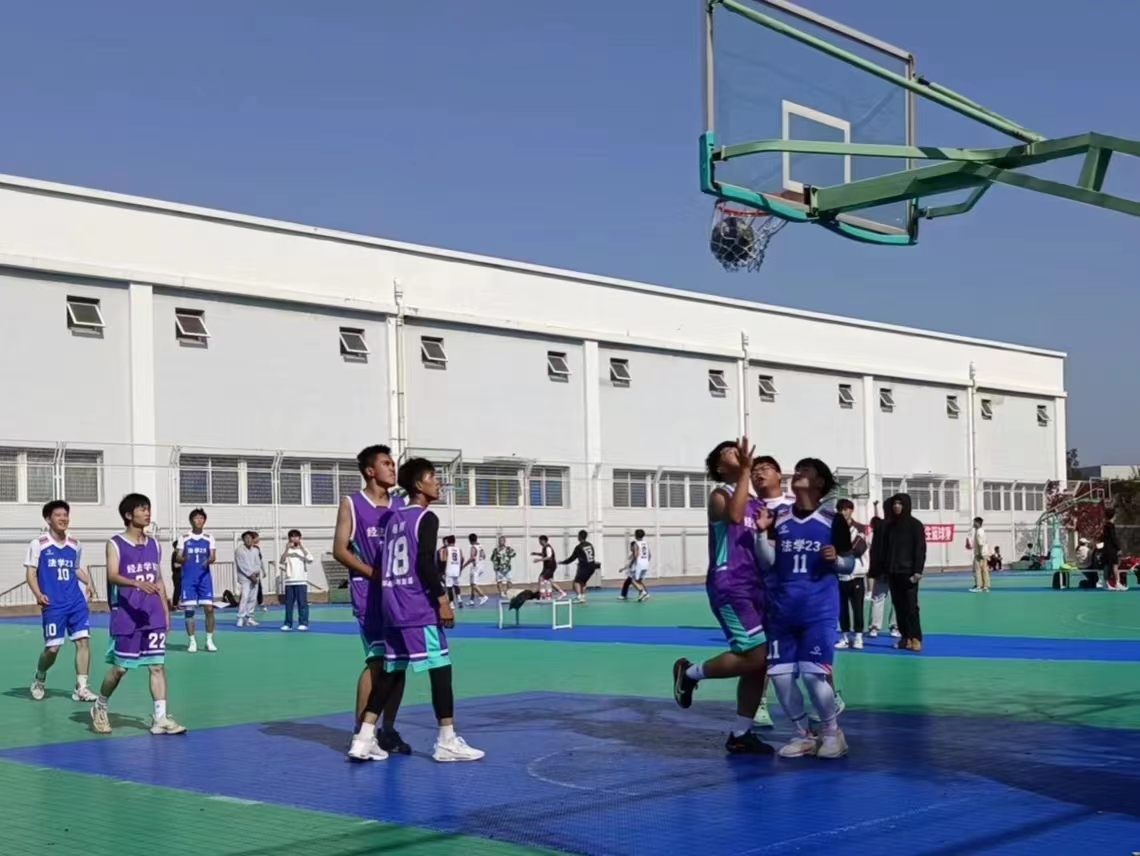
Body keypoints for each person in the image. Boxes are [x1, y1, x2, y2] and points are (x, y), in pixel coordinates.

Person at [348, 458, 484, 763]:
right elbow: (424, 563)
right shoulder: (426, 517)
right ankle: (447, 740)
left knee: (391, 672)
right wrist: (442, 600)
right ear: (419, 485)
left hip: (391, 606)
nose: (438, 483)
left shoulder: (393, 519)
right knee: (441, 668)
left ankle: (363, 738)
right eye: (433, 477)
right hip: (416, 607)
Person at [671, 438, 773, 756]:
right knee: (757, 655)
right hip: (730, 584)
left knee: (760, 665)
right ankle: (689, 673)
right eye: (730, 451)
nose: (738, 452)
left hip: (758, 586)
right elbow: (734, 516)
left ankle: (741, 734)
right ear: (719, 466)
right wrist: (744, 473)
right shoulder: (720, 495)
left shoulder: (758, 504)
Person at [754, 458, 853, 759]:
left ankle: (833, 733)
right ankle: (803, 735)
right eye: (797, 469)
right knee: (781, 677)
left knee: (813, 676)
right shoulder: (779, 517)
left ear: (820, 481)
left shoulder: (832, 519)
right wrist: (761, 533)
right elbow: (767, 562)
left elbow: (849, 564)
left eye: (805, 470)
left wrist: (837, 559)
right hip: (782, 610)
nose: (798, 472)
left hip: (818, 610)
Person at [332, 444, 409, 756]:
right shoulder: (351, 503)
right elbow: (340, 550)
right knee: (376, 661)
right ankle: (361, 732)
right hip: (369, 591)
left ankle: (388, 729)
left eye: (393, 463)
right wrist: (373, 573)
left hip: (399, 593)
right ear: (369, 470)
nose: (392, 468)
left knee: (399, 663)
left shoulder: (400, 504)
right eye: (386, 463)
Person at [91, 493, 185, 735]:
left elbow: (159, 580)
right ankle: (100, 705)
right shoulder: (115, 544)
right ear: (128, 515)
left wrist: (165, 612)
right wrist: (136, 583)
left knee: (157, 666)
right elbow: (112, 575)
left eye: (148, 508)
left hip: (152, 614)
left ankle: (160, 718)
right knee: (120, 669)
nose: (147, 513)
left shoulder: (154, 544)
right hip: (127, 614)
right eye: (142, 509)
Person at [26, 500, 98, 702]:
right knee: (53, 649)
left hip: (75, 601)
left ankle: (81, 687)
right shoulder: (39, 544)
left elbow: (75, 568)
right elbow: (30, 574)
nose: (63, 518)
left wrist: (89, 582)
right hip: (53, 604)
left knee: (83, 641)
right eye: (58, 515)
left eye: (65, 515)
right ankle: (40, 676)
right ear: (48, 519)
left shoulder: (75, 544)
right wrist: (38, 594)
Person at [749, 455, 796, 728]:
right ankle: (760, 703)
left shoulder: (794, 509)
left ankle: (827, 700)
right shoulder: (748, 508)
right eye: (754, 470)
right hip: (757, 590)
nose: (759, 473)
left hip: (792, 590)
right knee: (761, 650)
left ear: (780, 475)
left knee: (810, 647)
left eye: (766, 468)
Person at [885, 494, 926, 652]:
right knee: (898, 606)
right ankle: (905, 637)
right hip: (893, 572)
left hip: (908, 572)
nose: (896, 506)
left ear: (906, 505)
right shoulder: (890, 525)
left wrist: (917, 571)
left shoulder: (915, 525)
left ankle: (916, 638)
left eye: (900, 503)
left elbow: (920, 549)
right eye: (895, 503)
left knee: (911, 607)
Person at [176, 508, 217, 653]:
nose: (199, 521)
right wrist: (182, 558)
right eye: (196, 518)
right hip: (189, 579)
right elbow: (178, 556)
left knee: (209, 609)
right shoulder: (184, 538)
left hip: (204, 578)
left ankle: (209, 640)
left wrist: (209, 560)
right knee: (189, 611)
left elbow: (213, 556)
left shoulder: (209, 537)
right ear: (191, 520)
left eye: (201, 518)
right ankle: (192, 641)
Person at [835, 498, 868, 650]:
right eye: (841, 510)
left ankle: (859, 637)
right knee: (842, 608)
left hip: (856, 574)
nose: (843, 512)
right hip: (840, 575)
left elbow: (859, 549)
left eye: (846, 509)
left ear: (851, 510)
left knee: (857, 608)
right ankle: (845, 637)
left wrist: (839, 551)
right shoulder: (833, 527)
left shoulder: (860, 528)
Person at [867, 500, 900, 639]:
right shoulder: (895, 526)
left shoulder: (881, 525)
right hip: (893, 569)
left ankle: (875, 627)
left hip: (888, 569)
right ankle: (893, 627)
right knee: (895, 599)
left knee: (879, 599)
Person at [279, 529, 314, 631]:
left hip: (301, 580)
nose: (294, 538)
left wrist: (301, 547)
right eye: (292, 536)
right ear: (289, 538)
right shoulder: (288, 551)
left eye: (296, 536)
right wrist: (286, 549)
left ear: (299, 538)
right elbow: (281, 561)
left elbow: (310, 559)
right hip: (289, 581)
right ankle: (288, 624)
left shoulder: (303, 550)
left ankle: (303, 623)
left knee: (302, 603)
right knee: (289, 604)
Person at [561, 530, 599, 604]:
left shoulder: (579, 547)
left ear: (580, 537)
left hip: (585, 567)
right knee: (583, 582)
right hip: (592, 566)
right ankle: (582, 596)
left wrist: (563, 562)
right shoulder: (590, 545)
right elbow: (592, 555)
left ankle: (579, 597)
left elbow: (572, 558)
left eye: (578, 535)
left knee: (576, 582)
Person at [618, 530, 651, 602]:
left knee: (632, 580)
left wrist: (631, 563)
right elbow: (649, 555)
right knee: (639, 580)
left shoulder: (636, 544)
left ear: (636, 535)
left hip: (639, 564)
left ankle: (642, 592)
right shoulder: (646, 543)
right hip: (645, 563)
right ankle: (645, 594)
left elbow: (636, 555)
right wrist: (646, 561)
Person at [532, 535, 566, 600]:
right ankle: (561, 593)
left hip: (550, 566)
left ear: (543, 540)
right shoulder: (544, 548)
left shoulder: (548, 547)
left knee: (541, 578)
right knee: (550, 580)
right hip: (547, 566)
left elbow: (549, 557)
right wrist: (536, 553)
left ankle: (542, 595)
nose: (539, 542)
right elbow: (544, 554)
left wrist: (538, 560)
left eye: (540, 541)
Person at [462, 534, 490, 606]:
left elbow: (472, 558)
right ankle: (472, 600)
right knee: (472, 584)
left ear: (470, 540)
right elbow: (484, 556)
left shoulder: (473, 547)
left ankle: (483, 596)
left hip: (476, 567)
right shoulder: (480, 546)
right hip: (481, 566)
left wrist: (464, 565)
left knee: (474, 584)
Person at [439, 535, 464, 608]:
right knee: (456, 585)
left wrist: (442, 571)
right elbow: (462, 559)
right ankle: (459, 599)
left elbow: (443, 560)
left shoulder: (446, 549)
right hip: (456, 570)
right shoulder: (459, 549)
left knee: (449, 587)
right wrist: (460, 568)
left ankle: (452, 602)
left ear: (448, 541)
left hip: (449, 569)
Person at [1103, 508, 1124, 591]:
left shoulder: (1105, 526)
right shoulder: (1110, 526)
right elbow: (1113, 538)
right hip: (1111, 549)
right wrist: (1118, 548)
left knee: (1107, 566)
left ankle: (1106, 583)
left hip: (1106, 548)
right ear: (1113, 516)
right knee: (1115, 566)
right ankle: (1117, 583)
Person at [490, 535, 516, 599]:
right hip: (499, 568)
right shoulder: (496, 550)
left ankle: (508, 592)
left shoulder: (508, 549)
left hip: (507, 568)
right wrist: (495, 565)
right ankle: (501, 593)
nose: (501, 542)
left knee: (509, 580)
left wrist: (509, 554)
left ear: (504, 541)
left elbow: (514, 554)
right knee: (499, 581)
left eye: (502, 540)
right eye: (500, 541)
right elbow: (492, 558)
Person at [968, 517, 990, 593]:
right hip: (984, 553)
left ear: (977, 523)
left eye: (974, 522)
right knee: (984, 570)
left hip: (979, 554)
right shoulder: (981, 531)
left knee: (977, 570)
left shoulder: (979, 531)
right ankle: (985, 586)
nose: (973, 524)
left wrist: (980, 553)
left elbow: (981, 543)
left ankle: (978, 586)